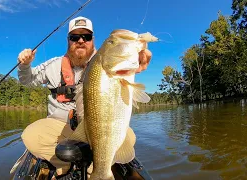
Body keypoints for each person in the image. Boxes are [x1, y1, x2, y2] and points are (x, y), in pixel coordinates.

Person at [16, 16, 152, 177]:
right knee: (31, 136)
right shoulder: (53, 65)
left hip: (98, 128)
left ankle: (97, 167)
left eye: (86, 37)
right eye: (75, 37)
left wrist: (136, 61)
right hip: (60, 128)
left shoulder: (105, 62)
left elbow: (125, 71)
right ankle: (65, 164)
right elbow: (27, 80)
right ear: (68, 40)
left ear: (92, 40)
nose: (81, 41)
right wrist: (24, 65)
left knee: (128, 137)